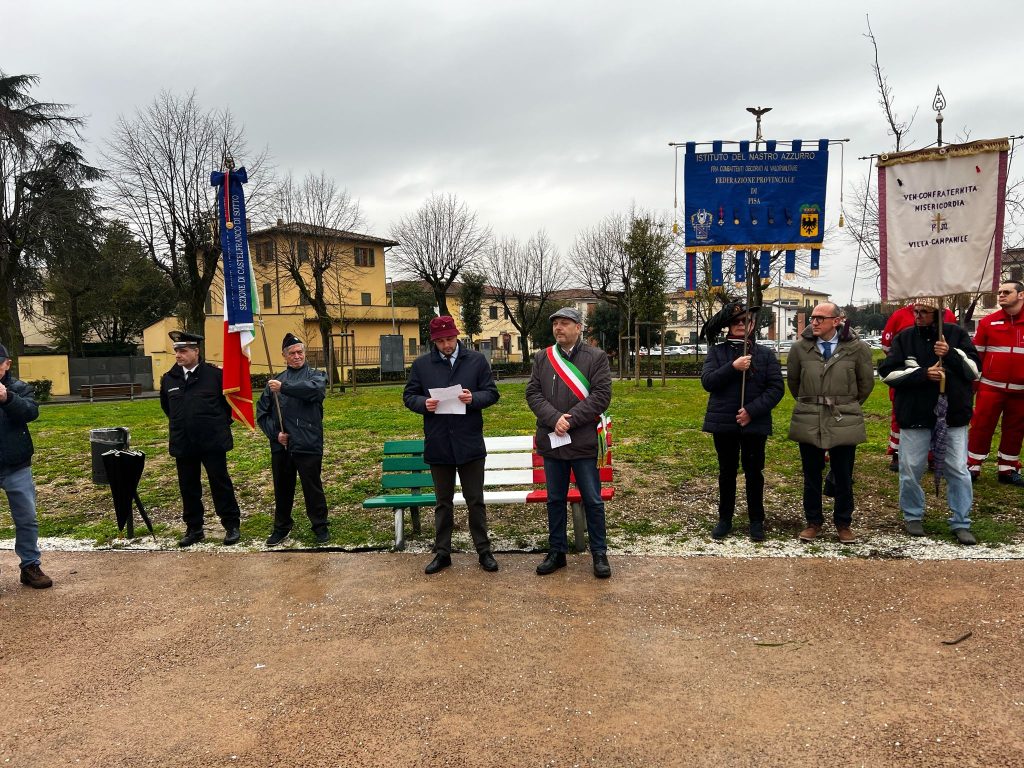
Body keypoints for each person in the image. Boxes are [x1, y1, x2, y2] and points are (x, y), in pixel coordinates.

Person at [403, 316, 500, 574]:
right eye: (440, 341)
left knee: (475, 500)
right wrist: (423, 403)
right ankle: (442, 552)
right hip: (439, 443)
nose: (446, 345)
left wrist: (473, 398)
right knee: (443, 502)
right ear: (433, 341)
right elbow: (409, 395)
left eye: (450, 339)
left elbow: (492, 393)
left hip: (469, 443)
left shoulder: (476, 360)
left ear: (457, 336)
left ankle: (484, 551)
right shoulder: (422, 364)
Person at [879, 300, 980, 545]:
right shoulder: (905, 338)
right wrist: (923, 374)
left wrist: (951, 354)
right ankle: (913, 515)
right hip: (915, 415)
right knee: (911, 468)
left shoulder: (956, 334)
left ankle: (961, 521)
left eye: (924, 312)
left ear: (938, 315)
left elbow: (975, 371)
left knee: (957, 469)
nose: (918, 316)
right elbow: (887, 373)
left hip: (952, 414)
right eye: (916, 311)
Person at [526, 307, 613, 578]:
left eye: (565, 323)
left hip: (583, 440)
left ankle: (599, 553)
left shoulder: (596, 357)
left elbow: (601, 396)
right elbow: (533, 393)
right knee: (555, 499)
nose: (559, 328)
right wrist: (554, 419)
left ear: (579, 327)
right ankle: (557, 551)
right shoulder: (543, 358)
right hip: (552, 441)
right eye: (556, 324)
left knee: (593, 500)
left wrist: (570, 419)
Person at [787, 303, 875, 543]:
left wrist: (845, 404)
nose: (813, 322)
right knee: (811, 474)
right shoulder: (799, 349)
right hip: (809, 417)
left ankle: (843, 523)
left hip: (843, 417)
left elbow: (865, 384)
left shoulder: (857, 349)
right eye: (812, 318)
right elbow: (794, 384)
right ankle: (813, 521)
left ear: (837, 321)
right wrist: (813, 403)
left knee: (844, 474)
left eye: (820, 318)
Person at [700, 303, 784, 542]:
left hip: (753, 424)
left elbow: (776, 388)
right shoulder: (717, 353)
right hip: (724, 423)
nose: (741, 325)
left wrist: (751, 411)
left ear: (753, 324)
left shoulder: (765, 355)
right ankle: (725, 518)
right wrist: (733, 367)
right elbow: (708, 382)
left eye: (745, 321)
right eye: (736, 321)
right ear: (729, 325)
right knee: (727, 472)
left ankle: (756, 520)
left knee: (754, 472)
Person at [160, 331, 242, 547]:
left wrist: (215, 425)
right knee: (188, 486)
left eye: (183, 350)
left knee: (220, 483)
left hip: (212, 441)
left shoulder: (215, 376)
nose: (178, 355)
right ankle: (194, 528)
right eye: (177, 350)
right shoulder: (169, 379)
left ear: (196, 351)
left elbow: (228, 407)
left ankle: (231, 525)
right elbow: (168, 407)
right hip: (184, 441)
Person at [257, 332, 330, 546]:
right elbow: (262, 413)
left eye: (300, 352)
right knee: (282, 488)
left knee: (312, 487)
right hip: (283, 446)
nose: (297, 356)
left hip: (308, 443)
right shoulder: (275, 382)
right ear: (284, 356)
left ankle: (320, 526)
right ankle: (281, 527)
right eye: (292, 353)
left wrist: (285, 388)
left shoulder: (317, 376)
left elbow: (314, 392)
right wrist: (275, 434)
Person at [880, 303, 957, 472]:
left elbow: (952, 343)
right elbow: (887, 346)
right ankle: (898, 452)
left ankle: (933, 456)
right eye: (917, 312)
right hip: (908, 379)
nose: (918, 315)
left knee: (938, 417)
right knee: (900, 416)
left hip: (938, 381)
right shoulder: (899, 315)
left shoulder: (947, 314)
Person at [0, 344, 51, 588]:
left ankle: (30, 565)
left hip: (16, 465)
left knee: (27, 518)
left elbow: (31, 412)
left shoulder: (19, 388)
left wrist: (7, 398)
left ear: (7, 364)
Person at [968, 281, 1024, 486]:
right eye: (999, 292)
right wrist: (972, 386)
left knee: (1015, 430)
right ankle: (972, 466)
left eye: (1006, 292)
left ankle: (1007, 470)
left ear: (1021, 295)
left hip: (1021, 392)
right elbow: (976, 357)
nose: (1000, 295)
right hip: (990, 387)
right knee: (981, 427)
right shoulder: (988, 322)